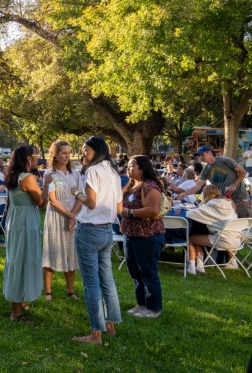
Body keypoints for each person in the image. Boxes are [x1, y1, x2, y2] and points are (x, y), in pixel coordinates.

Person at [71, 136, 122, 345]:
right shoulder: (113, 172)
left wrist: (76, 193)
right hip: (107, 230)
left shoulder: (92, 171)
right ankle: (111, 325)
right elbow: (119, 209)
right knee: (107, 280)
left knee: (91, 284)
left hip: (89, 231)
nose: (83, 153)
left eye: (86, 150)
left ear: (97, 150)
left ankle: (95, 334)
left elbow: (90, 203)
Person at [120, 155, 166, 319]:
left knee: (148, 272)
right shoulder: (132, 185)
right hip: (131, 234)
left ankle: (154, 308)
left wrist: (130, 212)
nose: (128, 167)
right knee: (135, 272)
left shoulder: (150, 186)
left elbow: (153, 210)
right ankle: (142, 304)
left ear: (143, 168)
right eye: (128, 165)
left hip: (148, 235)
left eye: (132, 165)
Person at [4, 145, 45, 323]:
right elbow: (40, 202)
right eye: (34, 155)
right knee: (22, 259)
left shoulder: (13, 175)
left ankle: (19, 301)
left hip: (16, 220)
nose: (37, 158)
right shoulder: (27, 178)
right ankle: (16, 312)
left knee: (17, 258)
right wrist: (49, 187)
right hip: (25, 222)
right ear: (28, 158)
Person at [41, 140, 83, 301]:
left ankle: (71, 291)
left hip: (72, 215)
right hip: (56, 216)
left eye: (69, 153)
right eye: (64, 153)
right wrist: (69, 216)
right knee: (52, 251)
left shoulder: (76, 174)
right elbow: (52, 200)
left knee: (71, 252)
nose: (67, 156)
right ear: (55, 154)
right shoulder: (49, 174)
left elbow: (80, 197)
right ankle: (48, 293)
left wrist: (73, 215)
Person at [176, 145, 250, 218]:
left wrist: (234, 185)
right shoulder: (206, 170)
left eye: (202, 154)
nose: (200, 157)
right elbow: (198, 185)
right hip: (225, 200)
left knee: (242, 220)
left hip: (239, 196)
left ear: (209, 153)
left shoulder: (225, 161)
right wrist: (185, 193)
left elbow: (243, 172)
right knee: (230, 223)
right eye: (199, 155)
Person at [186, 184, 241, 274]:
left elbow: (189, 214)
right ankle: (233, 263)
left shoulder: (209, 206)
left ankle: (192, 267)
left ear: (205, 194)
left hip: (223, 241)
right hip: (237, 240)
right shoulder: (229, 204)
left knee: (191, 238)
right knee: (200, 235)